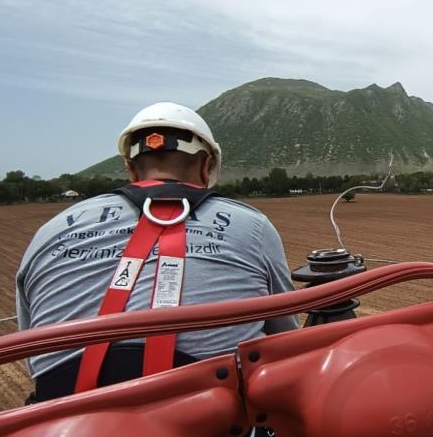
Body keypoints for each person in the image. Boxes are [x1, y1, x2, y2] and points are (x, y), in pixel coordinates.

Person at [15, 102, 297, 401]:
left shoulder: (50, 231)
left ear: (131, 168)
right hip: (209, 416)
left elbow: (33, 348)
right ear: (206, 166)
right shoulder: (251, 224)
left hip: (65, 419)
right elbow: (284, 338)